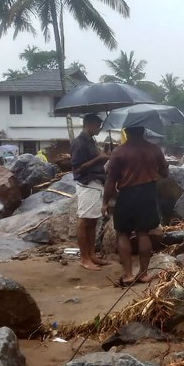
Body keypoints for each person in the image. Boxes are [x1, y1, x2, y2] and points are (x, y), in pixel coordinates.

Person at [102, 126, 169, 286]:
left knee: (123, 233)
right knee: (143, 233)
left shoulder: (119, 151)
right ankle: (144, 274)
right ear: (144, 131)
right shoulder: (154, 150)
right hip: (148, 194)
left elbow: (111, 180)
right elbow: (165, 173)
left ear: (127, 132)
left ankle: (128, 274)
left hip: (126, 194)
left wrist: (105, 202)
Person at [70, 114, 110, 271]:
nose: (98, 128)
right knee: (84, 220)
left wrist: (103, 158)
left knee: (93, 220)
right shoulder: (79, 142)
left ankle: (92, 254)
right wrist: (99, 159)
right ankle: (84, 258)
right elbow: (77, 168)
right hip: (87, 183)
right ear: (88, 124)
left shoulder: (91, 141)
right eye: (97, 125)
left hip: (96, 183)